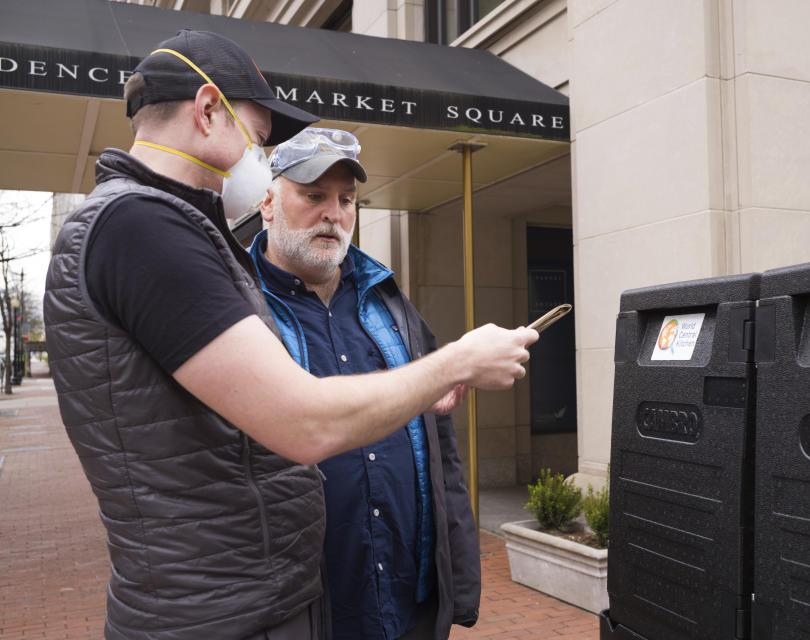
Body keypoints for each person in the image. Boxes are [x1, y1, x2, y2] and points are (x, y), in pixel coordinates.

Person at [43, 30, 537, 640]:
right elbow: (303, 424)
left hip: (236, 604)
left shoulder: (150, 223)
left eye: (347, 199)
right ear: (206, 111)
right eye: (258, 134)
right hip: (218, 614)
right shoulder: (143, 224)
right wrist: (455, 362)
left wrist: (412, 393)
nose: (262, 152)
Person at [250, 127, 477, 640]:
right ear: (268, 203)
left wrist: (457, 583)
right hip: (303, 615)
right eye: (313, 196)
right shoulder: (239, 309)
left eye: (346, 199)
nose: (333, 213)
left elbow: (443, 458)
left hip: (407, 606)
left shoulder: (391, 304)